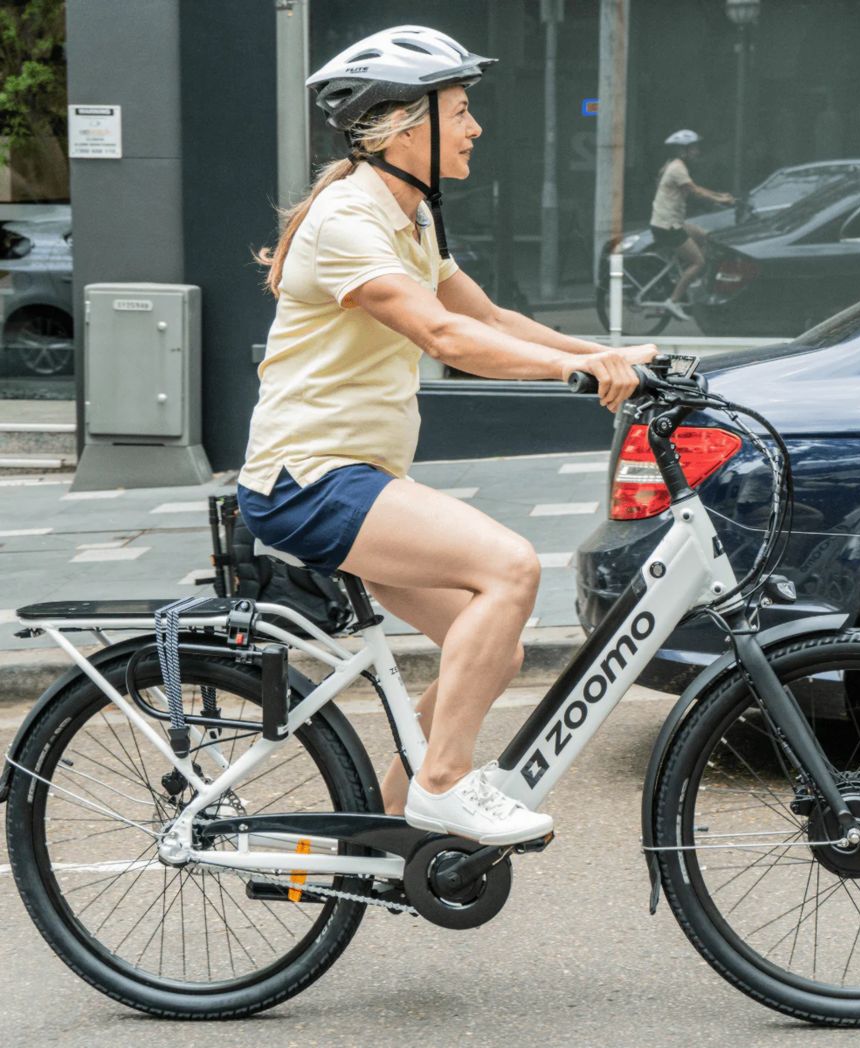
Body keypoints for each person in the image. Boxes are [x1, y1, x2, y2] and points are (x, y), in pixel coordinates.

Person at [237, 25, 657, 847]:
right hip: (309, 480)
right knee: (509, 568)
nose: (474, 128)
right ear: (402, 128)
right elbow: (446, 339)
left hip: (356, 477)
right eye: (459, 112)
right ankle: (442, 783)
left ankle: (383, 836)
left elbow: (489, 318)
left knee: (493, 648)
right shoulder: (348, 220)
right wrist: (576, 377)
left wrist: (608, 355)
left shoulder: (413, 215)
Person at [649, 129, 733, 322]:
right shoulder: (677, 168)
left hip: (672, 222)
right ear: (682, 150)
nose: (697, 152)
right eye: (693, 148)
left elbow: (695, 188)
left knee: (705, 236)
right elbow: (695, 191)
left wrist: (721, 197)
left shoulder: (675, 165)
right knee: (699, 262)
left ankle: (688, 278)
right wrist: (721, 199)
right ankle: (674, 300)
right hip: (668, 227)